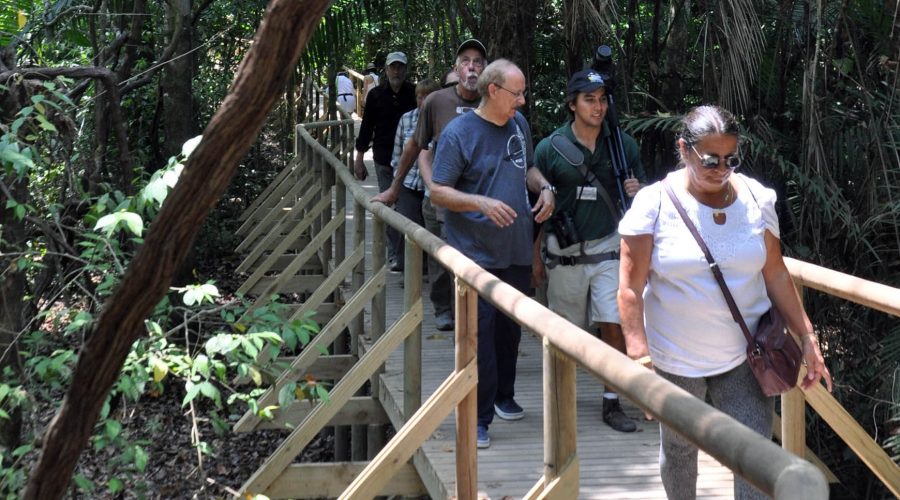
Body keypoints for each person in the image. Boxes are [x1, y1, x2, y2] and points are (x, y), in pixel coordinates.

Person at [617, 105, 832, 499]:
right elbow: (630, 288)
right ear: (684, 150)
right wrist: (639, 359)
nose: (721, 169)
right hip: (675, 356)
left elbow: (776, 273)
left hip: (745, 354)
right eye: (710, 160)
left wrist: (806, 335)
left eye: (731, 159)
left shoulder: (755, 197)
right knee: (680, 451)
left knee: (752, 455)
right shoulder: (653, 203)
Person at [430, 59, 555, 449]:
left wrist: (545, 187)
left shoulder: (518, 125)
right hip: (475, 254)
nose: (522, 99)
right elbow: (438, 191)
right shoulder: (459, 133)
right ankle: (478, 418)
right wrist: (480, 203)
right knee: (479, 337)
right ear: (494, 91)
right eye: (516, 92)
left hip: (515, 249)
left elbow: (528, 168)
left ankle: (504, 396)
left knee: (508, 333)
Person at [533, 68, 646, 433]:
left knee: (613, 322)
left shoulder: (623, 146)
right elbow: (537, 210)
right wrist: (536, 254)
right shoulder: (550, 148)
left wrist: (636, 189)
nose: (597, 108)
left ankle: (612, 401)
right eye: (589, 100)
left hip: (609, 248)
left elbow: (643, 200)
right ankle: (560, 398)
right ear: (572, 104)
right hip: (564, 251)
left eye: (602, 100)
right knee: (566, 330)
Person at [371, 39, 488, 331]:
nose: (471, 67)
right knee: (440, 258)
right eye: (465, 61)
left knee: (475, 263)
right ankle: (444, 307)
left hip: (483, 202)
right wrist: (395, 187)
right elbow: (415, 146)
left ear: (486, 70)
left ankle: (473, 316)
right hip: (442, 199)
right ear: (456, 67)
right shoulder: (438, 102)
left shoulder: (494, 99)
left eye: (478, 62)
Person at [354, 51, 416, 270]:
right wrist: (359, 159)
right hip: (384, 158)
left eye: (400, 67)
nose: (396, 71)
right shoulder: (376, 95)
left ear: (405, 69)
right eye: (393, 67)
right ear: (387, 70)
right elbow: (366, 127)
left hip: (411, 161)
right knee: (388, 207)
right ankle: (395, 255)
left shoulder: (414, 93)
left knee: (408, 209)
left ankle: (412, 256)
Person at [389, 78, 442, 263]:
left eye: (428, 97)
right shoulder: (406, 119)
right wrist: (395, 186)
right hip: (409, 183)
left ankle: (427, 271)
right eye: (420, 97)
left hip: (433, 186)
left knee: (430, 232)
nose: (423, 101)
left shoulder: (444, 120)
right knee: (407, 226)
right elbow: (397, 155)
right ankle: (406, 270)